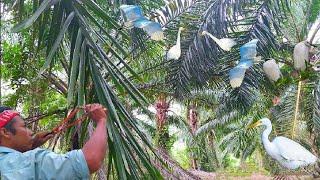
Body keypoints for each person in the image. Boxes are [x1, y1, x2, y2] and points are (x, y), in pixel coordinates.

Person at [0, 104, 108, 179]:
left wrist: (31, 144)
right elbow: (91, 160)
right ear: (5, 132)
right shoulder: (33, 161)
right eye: (24, 126)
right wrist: (101, 121)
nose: (31, 131)